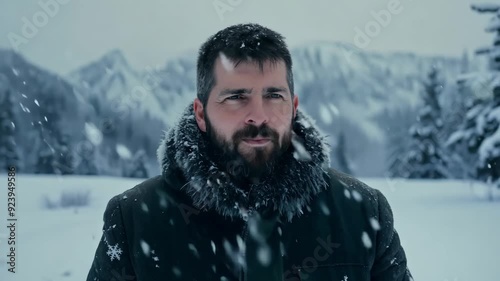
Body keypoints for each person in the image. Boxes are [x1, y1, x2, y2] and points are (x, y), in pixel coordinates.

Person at [86, 23, 413, 281]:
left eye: (274, 95)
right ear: (200, 113)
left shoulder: (363, 214)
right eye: (236, 97)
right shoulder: (135, 220)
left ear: (294, 107)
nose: (258, 115)